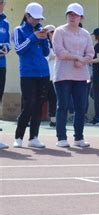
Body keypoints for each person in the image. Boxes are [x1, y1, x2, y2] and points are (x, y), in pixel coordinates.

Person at [52, 3, 94, 148]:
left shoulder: (86, 34)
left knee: (81, 107)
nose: (72, 17)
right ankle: (61, 138)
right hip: (62, 74)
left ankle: (79, 138)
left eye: (75, 15)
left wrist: (82, 62)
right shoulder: (59, 31)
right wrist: (78, 58)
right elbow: (60, 52)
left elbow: (90, 53)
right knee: (62, 106)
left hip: (81, 75)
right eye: (70, 14)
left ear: (81, 17)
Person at [12, 2, 50, 149]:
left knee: (39, 106)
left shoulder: (41, 30)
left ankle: (34, 137)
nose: (37, 21)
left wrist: (45, 39)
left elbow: (46, 53)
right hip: (27, 73)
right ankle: (18, 137)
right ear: (26, 16)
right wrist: (33, 37)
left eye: (39, 19)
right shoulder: (19, 30)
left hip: (43, 73)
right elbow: (19, 50)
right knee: (28, 105)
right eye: (34, 18)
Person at [0, 0, 10, 149]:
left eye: (2, 2)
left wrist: (5, 48)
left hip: (1, 65)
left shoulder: (5, 23)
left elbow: (8, 42)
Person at [44, 24, 57, 127]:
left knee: (53, 98)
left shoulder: (57, 43)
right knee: (40, 98)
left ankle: (53, 120)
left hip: (54, 76)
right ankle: (30, 119)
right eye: (52, 32)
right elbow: (44, 56)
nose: (53, 34)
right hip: (45, 75)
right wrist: (52, 56)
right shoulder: (43, 43)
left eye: (54, 31)